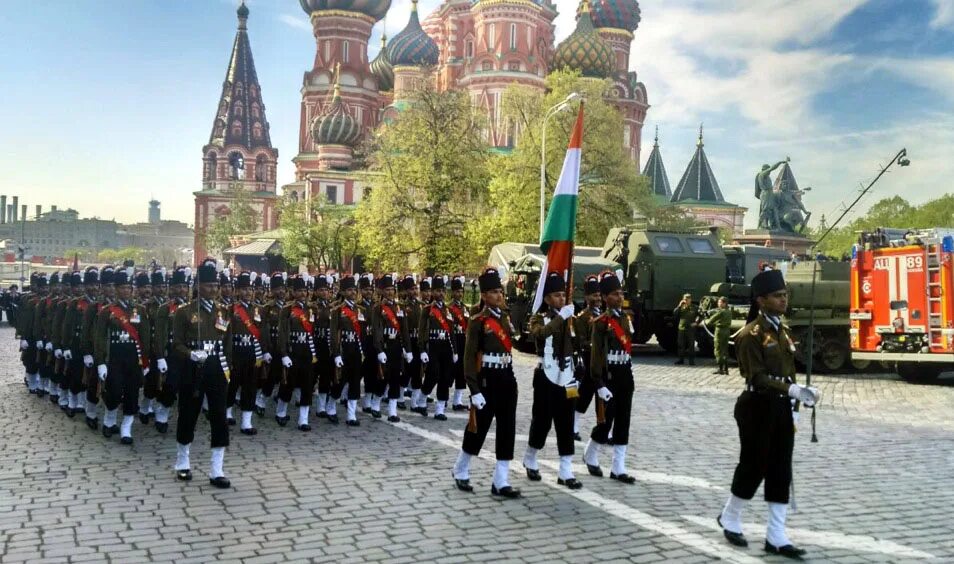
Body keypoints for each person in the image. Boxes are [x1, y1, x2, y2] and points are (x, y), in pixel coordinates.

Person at [717, 269, 820, 558]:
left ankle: (776, 535)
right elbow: (756, 376)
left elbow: (787, 372)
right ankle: (730, 516)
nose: (783, 299)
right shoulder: (750, 335)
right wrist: (792, 391)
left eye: (785, 294)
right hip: (756, 406)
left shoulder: (783, 332)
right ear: (761, 300)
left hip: (781, 407)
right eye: (777, 296)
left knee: (780, 468)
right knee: (754, 464)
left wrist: (800, 394)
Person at [451, 267, 520, 498]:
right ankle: (461, 469)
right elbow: (469, 357)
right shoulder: (478, 321)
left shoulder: (505, 318)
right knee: (477, 427)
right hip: (486, 380)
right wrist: (474, 389)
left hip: (506, 377)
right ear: (483, 295)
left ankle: (501, 480)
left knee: (507, 428)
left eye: (500, 291)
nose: (499, 296)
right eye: (493, 292)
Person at [172, 258, 233, 488]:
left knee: (219, 417)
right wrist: (190, 354)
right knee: (188, 414)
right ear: (198, 286)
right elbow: (176, 344)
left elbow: (227, 343)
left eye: (215, 285)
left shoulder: (224, 311)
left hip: (216, 368)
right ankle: (182, 461)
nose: (213, 289)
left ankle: (217, 469)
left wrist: (227, 367)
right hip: (193, 368)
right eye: (208, 285)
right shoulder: (184, 312)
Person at [522, 271, 582, 489]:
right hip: (545, 376)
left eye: (562, 295)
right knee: (542, 420)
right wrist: (561, 317)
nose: (561, 299)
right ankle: (530, 457)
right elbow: (540, 334)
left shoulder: (571, 319)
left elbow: (580, 344)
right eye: (556, 295)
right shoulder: (539, 318)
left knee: (567, 422)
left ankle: (566, 470)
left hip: (569, 377)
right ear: (546, 298)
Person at [583, 271, 636, 484]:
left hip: (624, 372)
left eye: (621, 293)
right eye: (614, 294)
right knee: (606, 420)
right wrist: (598, 382)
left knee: (624, 420)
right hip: (608, 375)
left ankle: (618, 467)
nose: (620, 297)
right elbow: (596, 357)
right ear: (605, 298)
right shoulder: (600, 323)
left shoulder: (625, 318)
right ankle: (590, 452)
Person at [94, 267, 152, 445]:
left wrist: (146, 360)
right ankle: (109, 419)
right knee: (114, 391)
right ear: (116, 289)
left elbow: (145, 336)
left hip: (133, 357)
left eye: (128, 287)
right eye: (122, 288)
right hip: (115, 357)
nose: (126, 291)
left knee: (132, 393)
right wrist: (101, 362)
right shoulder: (107, 311)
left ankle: (126, 427)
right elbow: (100, 337)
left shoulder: (140, 310)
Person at [227, 272, 271, 435]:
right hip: (236, 350)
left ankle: (246, 421)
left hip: (253, 352)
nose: (248, 292)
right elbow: (225, 333)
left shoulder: (259, 310)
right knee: (233, 384)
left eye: (250, 289)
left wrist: (265, 351)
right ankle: (228, 412)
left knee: (250, 386)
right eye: (244, 289)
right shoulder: (231, 309)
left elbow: (263, 332)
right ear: (237, 291)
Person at [276, 275, 319, 431]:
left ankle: (303, 419)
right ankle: (281, 412)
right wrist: (284, 353)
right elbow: (282, 333)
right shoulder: (287, 309)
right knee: (288, 383)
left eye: (304, 290)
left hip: (307, 350)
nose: (302, 293)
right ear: (293, 292)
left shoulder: (311, 309)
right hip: (293, 349)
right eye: (299, 290)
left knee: (307, 384)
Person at [370, 274, 412, 422]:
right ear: (381, 291)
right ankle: (375, 403)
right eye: (387, 289)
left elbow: (404, 329)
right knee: (383, 376)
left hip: (396, 346)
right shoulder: (378, 308)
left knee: (396, 376)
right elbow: (376, 330)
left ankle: (392, 411)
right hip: (385, 345)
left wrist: (408, 349)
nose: (390, 292)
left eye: (392, 289)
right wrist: (379, 350)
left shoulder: (399, 307)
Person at [153, 266, 190, 434]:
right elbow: (159, 335)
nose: (181, 290)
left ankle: (185, 418)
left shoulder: (193, 308)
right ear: (171, 288)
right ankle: (162, 414)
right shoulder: (165, 308)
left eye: (184, 286)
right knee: (170, 386)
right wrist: (160, 356)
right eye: (177, 286)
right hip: (172, 353)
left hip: (189, 353)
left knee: (188, 387)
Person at [418, 275, 457, 419]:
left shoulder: (448, 310)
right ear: (432, 292)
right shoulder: (427, 310)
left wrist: (455, 350)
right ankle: (422, 399)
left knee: (445, 377)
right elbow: (422, 331)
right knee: (432, 374)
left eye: (442, 291)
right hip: (433, 345)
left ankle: (440, 409)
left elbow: (451, 332)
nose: (440, 294)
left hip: (446, 346)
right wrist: (422, 349)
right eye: (437, 291)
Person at [330, 275, 365, 426]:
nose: (353, 292)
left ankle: (351, 414)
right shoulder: (337, 310)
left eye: (354, 290)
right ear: (343, 292)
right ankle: (331, 406)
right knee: (340, 381)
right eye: (349, 290)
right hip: (344, 349)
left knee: (355, 381)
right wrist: (336, 353)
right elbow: (333, 334)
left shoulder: (360, 310)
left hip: (356, 350)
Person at [572, 275, 602, 441]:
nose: (597, 299)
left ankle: (604, 428)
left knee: (603, 396)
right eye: (594, 296)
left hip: (601, 361)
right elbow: (580, 340)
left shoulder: (604, 314)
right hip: (588, 359)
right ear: (586, 297)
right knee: (584, 395)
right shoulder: (583, 317)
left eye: (598, 295)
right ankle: (573, 426)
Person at [447, 276, 470, 411]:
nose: (459, 294)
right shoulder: (449, 308)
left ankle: (457, 401)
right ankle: (443, 397)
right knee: (450, 369)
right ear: (452, 293)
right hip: (453, 339)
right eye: (457, 292)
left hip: (463, 340)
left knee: (462, 370)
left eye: (461, 291)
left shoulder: (465, 308)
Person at [706, 296, 733, 375]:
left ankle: (720, 369)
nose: (718, 304)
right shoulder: (729, 311)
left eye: (720, 302)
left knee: (718, 350)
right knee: (725, 350)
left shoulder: (721, 312)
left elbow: (710, 321)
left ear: (724, 303)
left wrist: (711, 317)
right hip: (727, 331)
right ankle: (726, 369)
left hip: (719, 331)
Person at [673, 293, 699, 365]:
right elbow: (675, 314)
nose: (686, 300)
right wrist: (679, 306)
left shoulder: (694, 307)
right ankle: (681, 359)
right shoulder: (681, 307)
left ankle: (691, 361)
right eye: (685, 299)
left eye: (688, 299)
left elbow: (700, 315)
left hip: (691, 329)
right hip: (682, 328)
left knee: (691, 345)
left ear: (690, 299)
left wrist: (696, 322)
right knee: (681, 345)